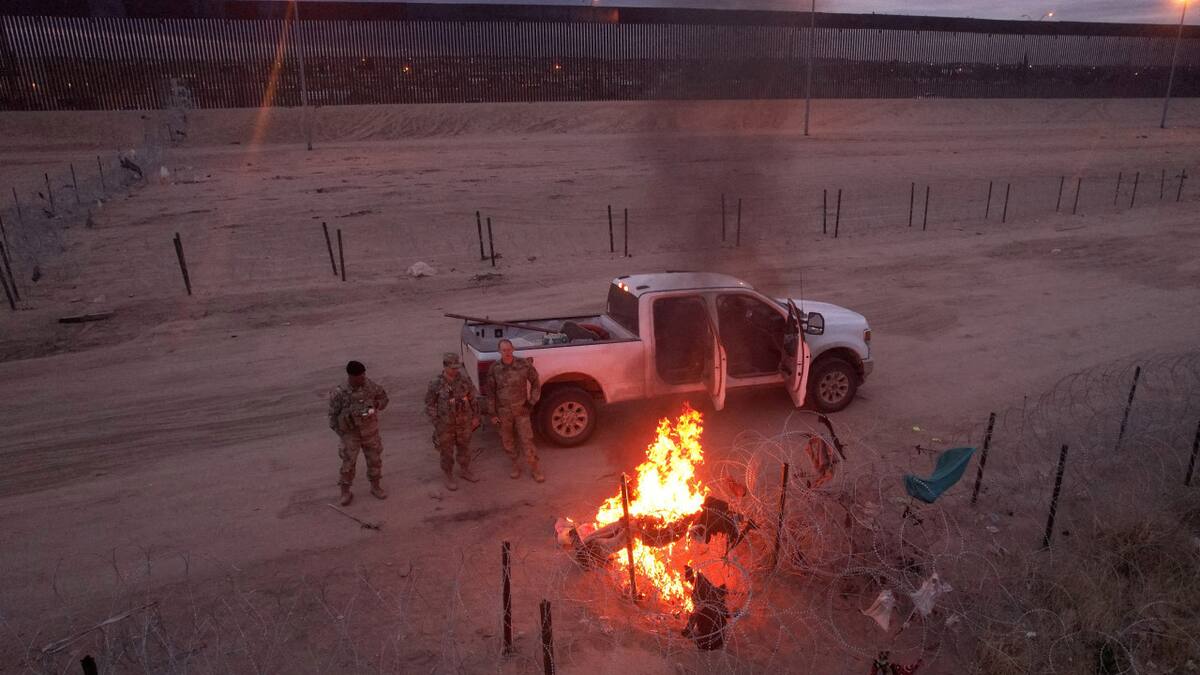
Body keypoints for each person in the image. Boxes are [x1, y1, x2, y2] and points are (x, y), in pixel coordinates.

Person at [328, 360, 390, 506]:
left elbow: (384, 399)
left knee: (374, 460)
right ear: (351, 376)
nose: (363, 378)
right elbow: (332, 417)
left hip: (370, 431)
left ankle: (375, 487)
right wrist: (343, 434)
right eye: (360, 376)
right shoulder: (339, 393)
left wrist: (376, 406)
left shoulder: (370, 385)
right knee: (348, 464)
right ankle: (345, 492)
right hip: (351, 435)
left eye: (364, 374)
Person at [486, 339, 544, 482]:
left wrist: (531, 403)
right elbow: (490, 393)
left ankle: (535, 468)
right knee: (507, 440)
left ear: (513, 349)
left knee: (527, 440)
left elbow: (536, 383)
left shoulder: (524, 364)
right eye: (504, 350)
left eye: (509, 349)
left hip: (521, 410)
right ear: (499, 351)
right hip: (503, 412)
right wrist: (492, 413)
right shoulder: (494, 368)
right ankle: (515, 465)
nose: (507, 352)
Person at [425, 352, 482, 491]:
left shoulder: (464, 381)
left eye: (457, 367)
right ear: (445, 366)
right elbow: (429, 405)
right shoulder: (436, 384)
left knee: (464, 448)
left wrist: (476, 417)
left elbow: (473, 399)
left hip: (463, 423)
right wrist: (437, 422)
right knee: (446, 451)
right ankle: (448, 475)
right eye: (453, 368)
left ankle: (465, 470)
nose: (456, 370)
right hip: (445, 425)